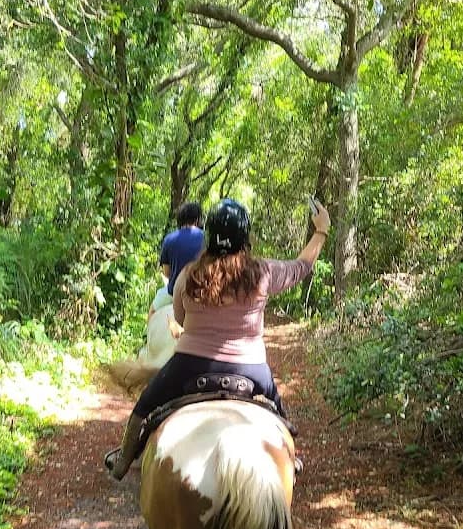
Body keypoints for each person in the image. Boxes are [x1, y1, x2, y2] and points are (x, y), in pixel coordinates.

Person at [104, 196, 331, 480]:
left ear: (209, 235)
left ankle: (124, 460)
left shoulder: (190, 273)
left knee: (144, 406)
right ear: (244, 237)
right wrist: (321, 230)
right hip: (251, 369)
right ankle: (289, 458)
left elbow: (181, 319)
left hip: (189, 365)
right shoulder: (263, 271)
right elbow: (302, 266)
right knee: (282, 417)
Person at [159, 202, 204, 295]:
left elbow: (166, 273)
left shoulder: (169, 239)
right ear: (197, 219)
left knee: (152, 309)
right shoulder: (207, 238)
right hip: (201, 293)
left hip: (175, 293)